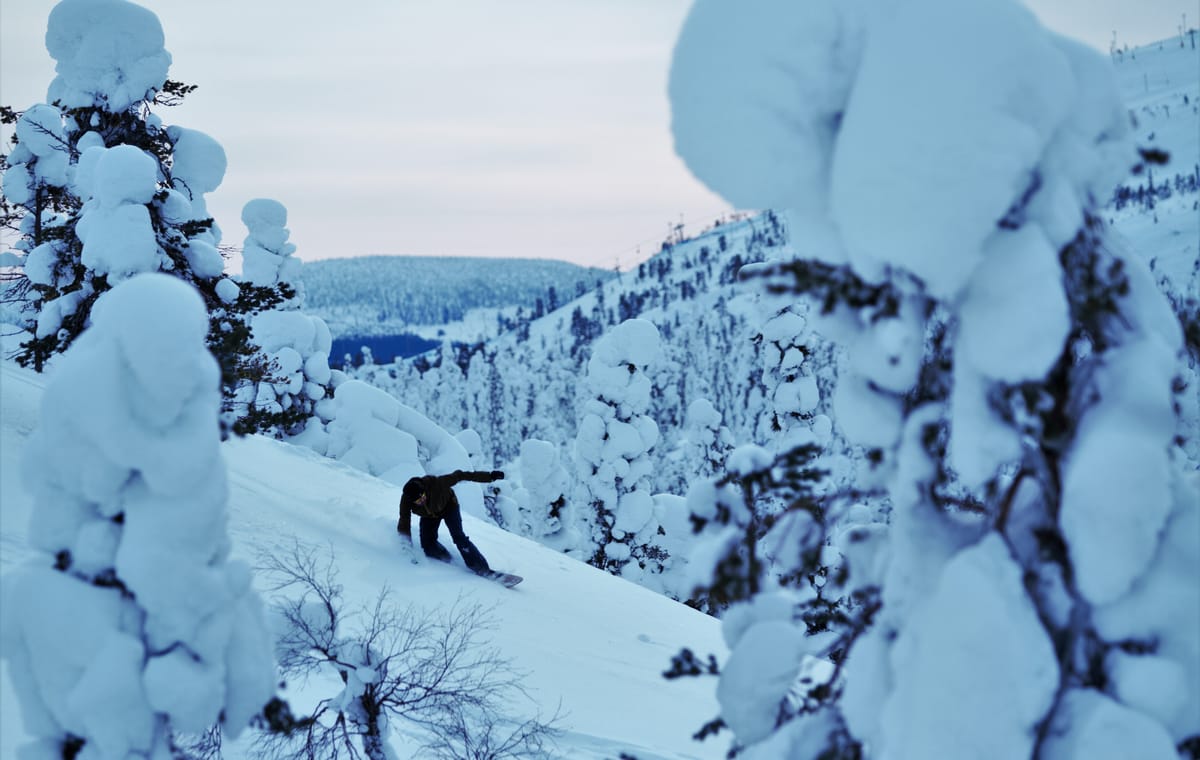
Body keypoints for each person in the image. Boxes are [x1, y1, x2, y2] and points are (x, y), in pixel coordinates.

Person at [397, 469, 504, 575]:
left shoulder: (437, 483)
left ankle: (481, 568)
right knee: (428, 545)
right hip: (429, 515)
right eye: (418, 501)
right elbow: (404, 522)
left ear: (424, 490)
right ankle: (447, 559)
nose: (422, 501)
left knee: (459, 537)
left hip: (449, 507)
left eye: (423, 497)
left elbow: (461, 475)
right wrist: (407, 547)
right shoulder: (406, 501)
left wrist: (489, 476)